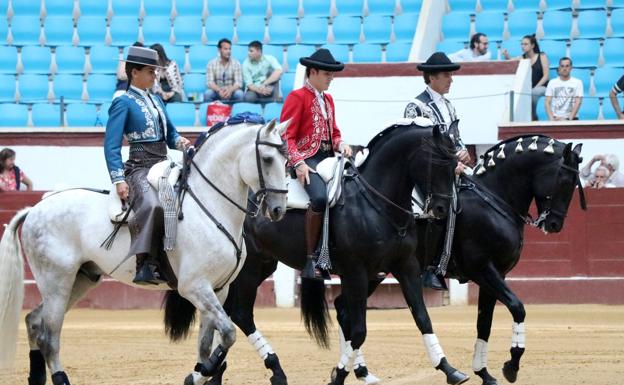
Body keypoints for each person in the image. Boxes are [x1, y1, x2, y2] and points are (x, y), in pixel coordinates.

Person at [104, 46, 191, 285]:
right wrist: (118, 179)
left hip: (163, 163)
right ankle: (144, 264)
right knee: (152, 205)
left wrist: (182, 143)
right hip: (139, 166)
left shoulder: (155, 100)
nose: (155, 76)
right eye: (151, 72)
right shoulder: (123, 102)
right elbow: (111, 144)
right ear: (135, 73)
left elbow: (170, 134)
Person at [281, 48, 352, 280]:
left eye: (332, 74)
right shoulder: (297, 97)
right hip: (307, 160)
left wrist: (342, 144)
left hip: (329, 159)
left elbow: (335, 133)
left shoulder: (328, 99)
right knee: (320, 198)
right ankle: (311, 260)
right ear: (312, 72)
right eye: (327, 73)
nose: (331, 78)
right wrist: (298, 163)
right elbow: (285, 136)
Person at [404, 52, 470, 291]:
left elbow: (455, 139)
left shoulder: (449, 106)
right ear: (431, 77)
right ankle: (432, 267)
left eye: (451, 74)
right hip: (427, 173)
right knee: (443, 207)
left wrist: (463, 153)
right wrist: (453, 162)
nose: (451, 79)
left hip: (451, 169)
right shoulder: (416, 106)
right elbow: (419, 148)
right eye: (446, 74)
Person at [502, 34, 550, 121]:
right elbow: (511, 60)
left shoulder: (542, 56)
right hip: (528, 90)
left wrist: (535, 87)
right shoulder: (522, 58)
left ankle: (534, 118)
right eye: (522, 44)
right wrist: (506, 55)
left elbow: (546, 76)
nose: (523, 46)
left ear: (532, 45)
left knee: (534, 92)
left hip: (542, 87)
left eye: (525, 44)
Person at [205, 38, 244, 103]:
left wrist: (230, 90)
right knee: (208, 94)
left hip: (231, 91)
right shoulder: (211, 63)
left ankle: (237, 112)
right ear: (219, 50)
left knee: (240, 94)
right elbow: (210, 82)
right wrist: (219, 90)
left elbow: (238, 83)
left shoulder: (236, 63)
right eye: (225, 49)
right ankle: (211, 112)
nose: (228, 51)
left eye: (230, 49)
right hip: (217, 91)